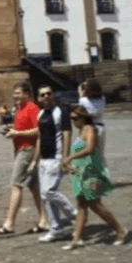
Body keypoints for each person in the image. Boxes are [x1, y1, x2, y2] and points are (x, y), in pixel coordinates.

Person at [59, 106, 128, 249]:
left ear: (83, 117)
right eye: (71, 119)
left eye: (75, 118)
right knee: (82, 204)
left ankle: (120, 230)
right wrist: (72, 165)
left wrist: (70, 157)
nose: (73, 121)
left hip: (91, 173)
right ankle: (77, 239)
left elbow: (89, 149)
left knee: (95, 205)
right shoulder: (80, 131)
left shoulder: (90, 129)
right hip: (81, 173)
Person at [0, 81, 47, 235]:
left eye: (18, 93)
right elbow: (23, 127)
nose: (14, 96)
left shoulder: (32, 108)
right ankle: (45, 220)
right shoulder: (20, 109)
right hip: (19, 149)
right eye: (14, 93)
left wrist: (17, 134)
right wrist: (12, 129)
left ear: (27, 94)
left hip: (28, 150)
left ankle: (9, 223)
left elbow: (38, 130)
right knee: (34, 187)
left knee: (16, 184)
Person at [28, 85, 77, 242]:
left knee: (48, 191)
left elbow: (67, 134)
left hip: (56, 157)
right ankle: (56, 229)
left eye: (49, 93)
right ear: (39, 99)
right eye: (43, 95)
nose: (46, 96)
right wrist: (35, 160)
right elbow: (40, 138)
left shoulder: (61, 112)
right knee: (45, 197)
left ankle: (73, 213)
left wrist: (66, 157)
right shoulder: (41, 113)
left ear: (53, 95)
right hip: (44, 158)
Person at [78, 80, 108, 169]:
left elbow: (81, 111)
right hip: (101, 126)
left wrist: (81, 93)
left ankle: (94, 177)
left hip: (89, 127)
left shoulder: (83, 100)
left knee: (89, 153)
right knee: (101, 155)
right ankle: (105, 176)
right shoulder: (103, 98)